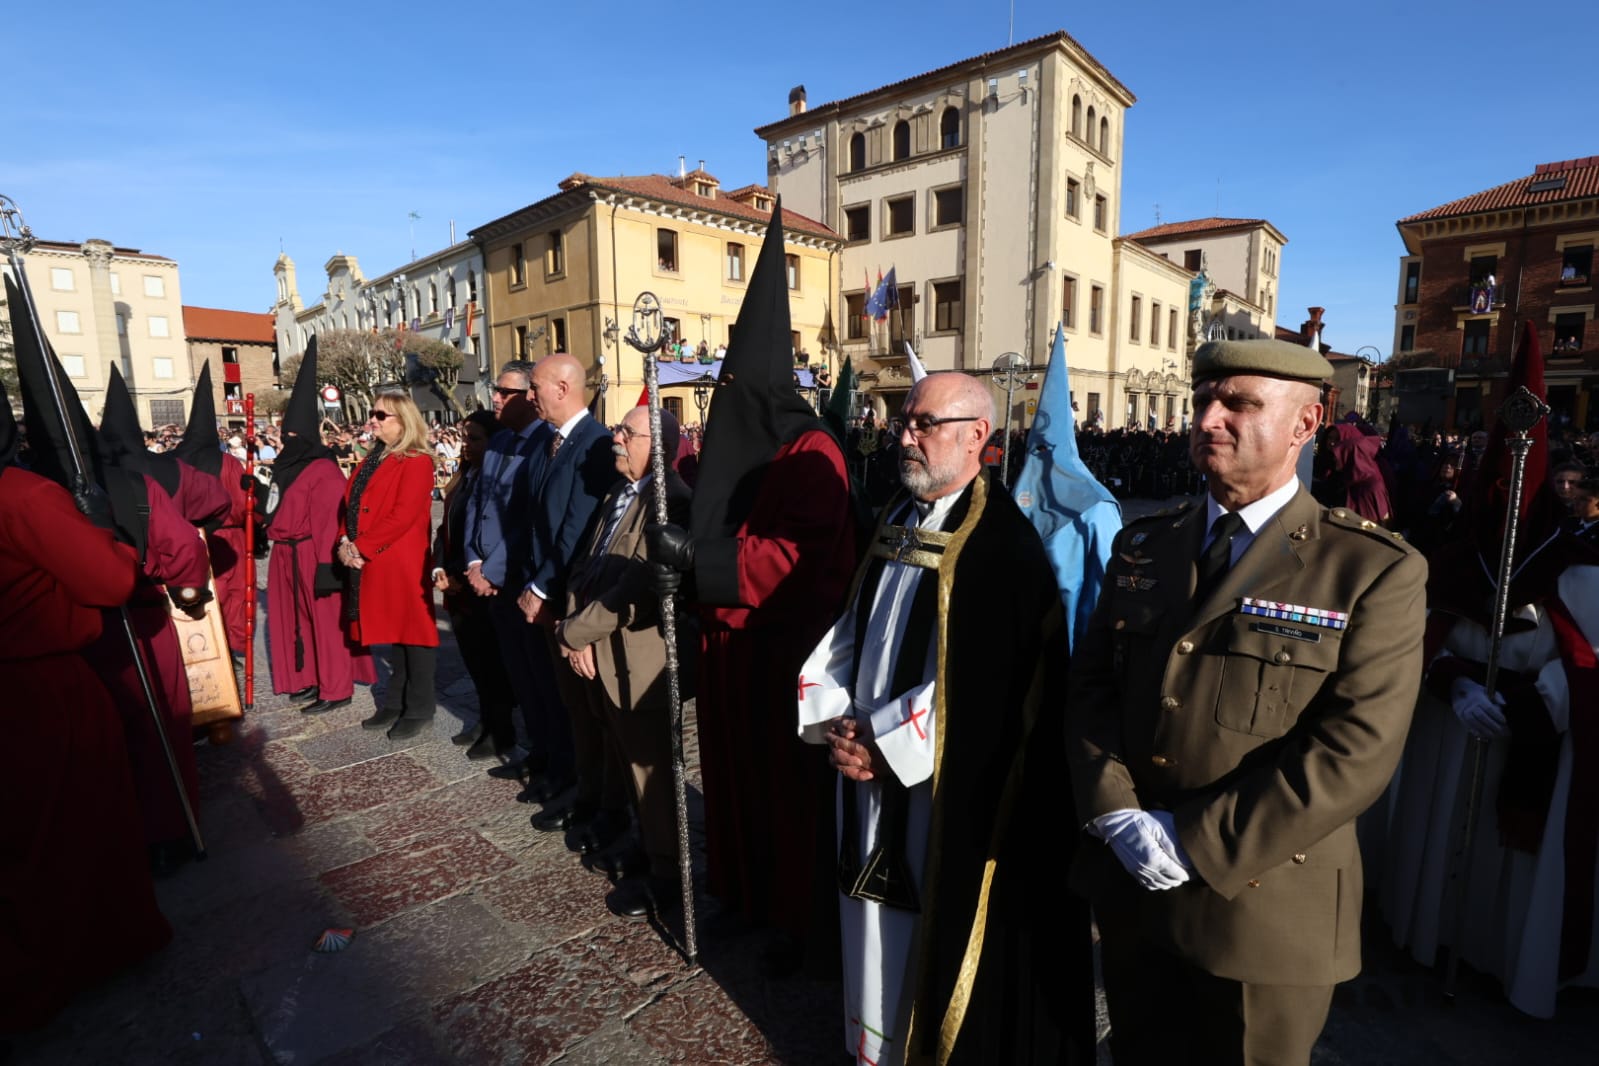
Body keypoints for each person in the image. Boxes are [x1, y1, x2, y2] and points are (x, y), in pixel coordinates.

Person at [1068, 338, 1427, 1065]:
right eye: (1203, 399)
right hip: (1135, 892)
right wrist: (1112, 806)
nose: (1207, 419)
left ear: (1305, 423)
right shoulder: (1146, 543)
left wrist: (1193, 840)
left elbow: (1353, 751)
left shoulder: (1366, 568)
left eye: (1239, 403)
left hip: (1262, 910)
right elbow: (1092, 687)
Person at [798, 372, 1092, 1065]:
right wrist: (836, 718)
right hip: (862, 763)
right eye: (905, 420)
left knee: (928, 930)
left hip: (933, 786)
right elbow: (849, 630)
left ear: (975, 437)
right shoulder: (895, 518)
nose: (904, 436)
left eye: (923, 423)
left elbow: (987, 689)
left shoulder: (1001, 548)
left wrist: (885, 744)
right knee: (866, 923)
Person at [648, 202, 856, 969]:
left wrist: (698, 562)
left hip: (782, 656)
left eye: (736, 378)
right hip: (729, 650)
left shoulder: (813, 451)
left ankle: (800, 922)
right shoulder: (738, 445)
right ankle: (742, 892)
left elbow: (791, 556)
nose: (723, 390)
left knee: (785, 798)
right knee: (734, 787)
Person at [1381, 321, 1599, 1018]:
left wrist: (1530, 707)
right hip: (1452, 731)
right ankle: (1431, 935)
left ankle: (1503, 957)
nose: (1503, 502)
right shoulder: (1447, 559)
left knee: (1507, 870)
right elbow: (1415, 639)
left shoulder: (1576, 568)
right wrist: (1455, 685)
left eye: (1519, 490)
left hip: (1525, 738)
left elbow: (1584, 663)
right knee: (1441, 837)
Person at [0, 386, 172, 1032]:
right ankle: (56, 970)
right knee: (63, 836)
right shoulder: (21, 496)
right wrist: (109, 541)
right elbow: (107, 580)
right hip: (37, 687)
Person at [557, 405, 693, 919]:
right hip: (600, 653)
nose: (615, 438)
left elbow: (637, 586)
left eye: (626, 432)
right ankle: (642, 848)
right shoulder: (621, 492)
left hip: (640, 661)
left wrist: (576, 631)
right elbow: (589, 566)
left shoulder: (671, 503)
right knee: (624, 764)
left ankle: (667, 876)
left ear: (656, 445)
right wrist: (575, 631)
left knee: (652, 776)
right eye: (617, 429)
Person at [517, 354, 622, 840]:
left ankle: (601, 803)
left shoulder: (596, 444)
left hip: (573, 596)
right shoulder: (547, 442)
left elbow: (578, 528)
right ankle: (580, 788)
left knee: (589, 710)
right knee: (568, 705)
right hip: (548, 592)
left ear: (563, 387)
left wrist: (543, 587)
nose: (529, 396)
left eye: (535, 386)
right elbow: (535, 517)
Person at [265, 339, 375, 714]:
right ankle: (306, 676)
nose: (287, 441)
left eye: (294, 436)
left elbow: (331, 523)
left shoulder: (323, 471)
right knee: (295, 621)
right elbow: (275, 507)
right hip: (287, 553)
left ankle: (336, 686)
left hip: (315, 554)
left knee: (326, 624)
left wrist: (329, 568)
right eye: (285, 435)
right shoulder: (284, 467)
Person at [466, 361, 558, 791]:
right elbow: (476, 502)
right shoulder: (500, 440)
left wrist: (495, 568)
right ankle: (536, 753)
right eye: (495, 390)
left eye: (505, 392)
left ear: (529, 395)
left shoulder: (544, 442)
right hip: (488, 579)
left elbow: (527, 516)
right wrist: (472, 561)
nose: (496, 399)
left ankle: (553, 763)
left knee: (541, 682)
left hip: (519, 578)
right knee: (517, 675)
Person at [338, 385, 440, 740]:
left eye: (381, 415)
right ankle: (395, 703)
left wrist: (360, 548)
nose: (373, 420)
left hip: (400, 561)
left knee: (415, 636)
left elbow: (403, 515)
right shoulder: (373, 457)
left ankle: (420, 707)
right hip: (373, 558)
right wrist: (343, 541)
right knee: (393, 638)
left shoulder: (417, 460)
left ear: (403, 421)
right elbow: (350, 504)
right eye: (373, 413)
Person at [433, 410, 517, 758]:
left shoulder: (495, 481)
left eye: (475, 438)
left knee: (491, 663)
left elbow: (488, 537)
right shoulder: (463, 476)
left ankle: (502, 730)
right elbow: (444, 530)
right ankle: (484, 722)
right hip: (453, 583)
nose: (466, 445)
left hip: (476, 584)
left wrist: (460, 576)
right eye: (465, 438)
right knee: (474, 662)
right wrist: (437, 568)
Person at [173, 362, 255, 654]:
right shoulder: (229, 463)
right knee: (233, 599)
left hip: (184, 541)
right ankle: (233, 652)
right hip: (225, 538)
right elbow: (243, 505)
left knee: (196, 597)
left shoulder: (172, 460)